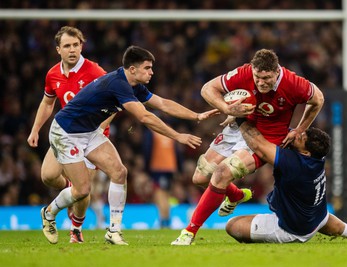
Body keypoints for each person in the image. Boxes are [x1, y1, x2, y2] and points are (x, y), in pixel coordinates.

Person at [39, 45, 218, 245]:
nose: (152, 72)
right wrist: (177, 136)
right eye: (147, 68)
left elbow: (163, 104)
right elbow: (144, 116)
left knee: (119, 172)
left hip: (89, 131)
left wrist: (196, 116)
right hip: (66, 132)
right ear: (132, 69)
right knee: (82, 190)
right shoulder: (118, 84)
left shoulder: (134, 86)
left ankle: (114, 231)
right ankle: (48, 213)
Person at [172, 48, 324, 245]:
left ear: (277, 72)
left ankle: (189, 232)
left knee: (221, 174)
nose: (261, 82)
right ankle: (236, 195)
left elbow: (318, 99)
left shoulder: (293, 83)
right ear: (252, 69)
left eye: (266, 78)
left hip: (264, 139)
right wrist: (227, 108)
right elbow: (207, 89)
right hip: (239, 126)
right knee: (200, 177)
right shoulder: (243, 73)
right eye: (257, 77)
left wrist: (300, 129)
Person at [225, 122, 347, 243]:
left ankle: (266, 243)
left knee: (232, 225)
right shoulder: (317, 157)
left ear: (305, 153)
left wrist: (240, 120)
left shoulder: (295, 164)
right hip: (317, 217)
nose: (298, 134)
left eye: (301, 138)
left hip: (291, 229)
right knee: (321, 218)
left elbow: (258, 146)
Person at [27, 26, 109, 243]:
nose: (72, 50)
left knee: (83, 189)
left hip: (91, 136)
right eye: (67, 46)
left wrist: (100, 127)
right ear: (58, 50)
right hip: (66, 132)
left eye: (76, 45)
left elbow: (115, 101)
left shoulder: (94, 72)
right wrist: (35, 129)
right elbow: (47, 103)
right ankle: (71, 191)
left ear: (81, 46)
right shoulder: (53, 74)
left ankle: (75, 229)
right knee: (48, 175)